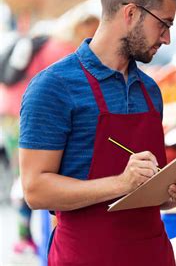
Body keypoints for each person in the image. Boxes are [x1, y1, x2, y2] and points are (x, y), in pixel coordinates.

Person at [18, 0, 176, 265]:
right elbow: (35, 189)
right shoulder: (53, 87)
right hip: (86, 256)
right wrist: (121, 183)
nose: (168, 38)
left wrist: (174, 195)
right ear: (131, 13)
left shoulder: (150, 91)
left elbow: (145, 191)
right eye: (163, 24)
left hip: (152, 255)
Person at [0, 14, 99, 255]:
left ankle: (24, 235)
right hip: (25, 115)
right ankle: (25, 235)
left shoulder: (44, 44)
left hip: (10, 111)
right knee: (29, 179)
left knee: (20, 176)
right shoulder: (62, 50)